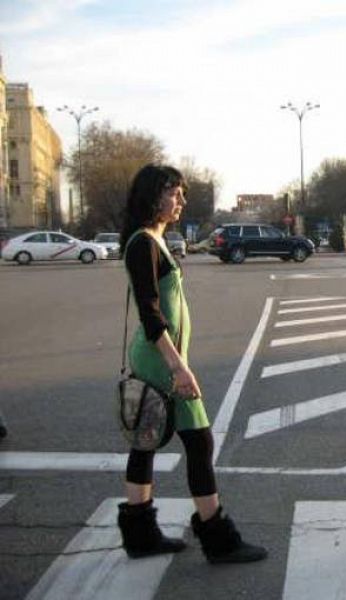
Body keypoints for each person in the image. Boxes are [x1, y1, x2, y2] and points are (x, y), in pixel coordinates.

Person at [118, 164, 267, 564]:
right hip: (160, 361)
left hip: (163, 359)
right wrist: (178, 367)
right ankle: (218, 537)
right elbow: (151, 315)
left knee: (145, 442)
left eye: (182, 193)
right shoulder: (143, 244)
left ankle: (140, 534)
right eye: (174, 192)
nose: (181, 200)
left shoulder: (153, 240)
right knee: (198, 442)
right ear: (153, 196)